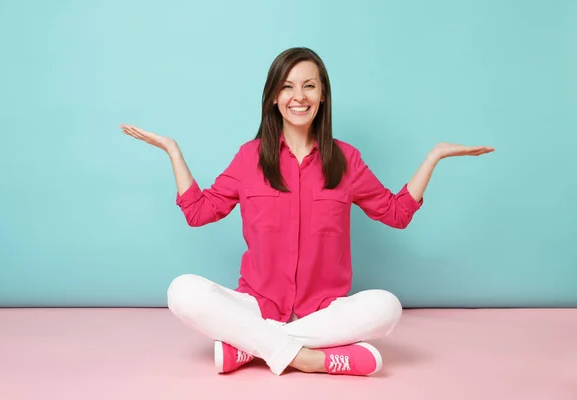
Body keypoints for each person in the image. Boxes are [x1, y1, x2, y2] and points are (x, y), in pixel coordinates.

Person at [120, 47, 494, 377]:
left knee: (388, 307)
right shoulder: (249, 158)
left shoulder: (346, 159)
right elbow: (199, 212)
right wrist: (173, 150)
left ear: (323, 95)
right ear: (272, 98)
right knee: (182, 291)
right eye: (287, 86)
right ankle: (312, 359)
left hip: (324, 314)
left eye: (309, 86)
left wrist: (434, 157)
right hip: (257, 306)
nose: (298, 97)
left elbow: (396, 214)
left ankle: (252, 347)